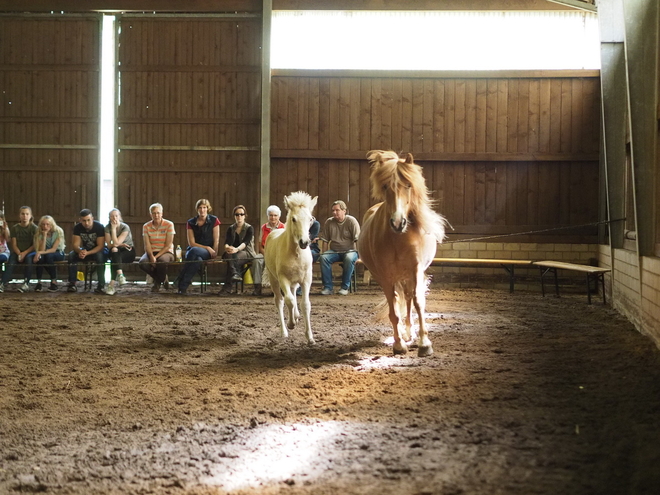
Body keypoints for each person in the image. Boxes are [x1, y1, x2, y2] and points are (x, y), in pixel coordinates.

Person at [176, 199, 221, 295]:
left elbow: (216, 239)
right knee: (197, 259)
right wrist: (207, 247)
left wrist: (214, 252)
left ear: (208, 209)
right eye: (200, 208)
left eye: (204, 207)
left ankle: (181, 280)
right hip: (194, 250)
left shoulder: (214, 220)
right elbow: (191, 243)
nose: (202, 210)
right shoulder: (191, 222)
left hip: (208, 252)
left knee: (194, 252)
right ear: (197, 209)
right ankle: (183, 288)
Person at [319, 200, 360, 296]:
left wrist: (359, 256)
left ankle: (344, 287)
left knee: (349, 258)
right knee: (323, 258)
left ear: (344, 211)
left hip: (350, 250)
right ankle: (328, 287)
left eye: (337, 210)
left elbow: (357, 240)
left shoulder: (351, 221)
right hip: (334, 251)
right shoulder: (329, 222)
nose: (334, 212)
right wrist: (324, 253)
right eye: (333, 210)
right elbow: (325, 240)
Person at [219, 205, 257, 295]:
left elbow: (246, 242)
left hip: (247, 252)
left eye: (241, 214)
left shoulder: (249, 228)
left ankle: (227, 287)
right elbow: (227, 242)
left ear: (245, 216)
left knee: (230, 258)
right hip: (233, 253)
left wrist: (236, 249)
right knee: (229, 256)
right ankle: (235, 274)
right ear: (234, 216)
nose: (239, 216)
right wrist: (227, 247)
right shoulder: (231, 228)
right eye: (237, 214)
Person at [67, 209, 107, 294]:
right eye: (84, 221)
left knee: (100, 257)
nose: (87, 223)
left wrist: (87, 253)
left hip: (97, 250)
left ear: (92, 218)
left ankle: (101, 284)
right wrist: (80, 251)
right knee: (71, 256)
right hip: (85, 250)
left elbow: (100, 246)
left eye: (88, 220)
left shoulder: (99, 227)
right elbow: (75, 245)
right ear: (80, 220)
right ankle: (72, 283)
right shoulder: (77, 228)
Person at [0, 206, 38, 293]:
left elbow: (35, 245)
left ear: (30, 216)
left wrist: (24, 253)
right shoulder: (15, 228)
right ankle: (2, 283)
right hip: (18, 251)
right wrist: (19, 253)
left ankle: (26, 283)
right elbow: (14, 244)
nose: (25, 216)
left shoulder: (34, 228)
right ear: (19, 216)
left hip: (30, 251)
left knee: (29, 259)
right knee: (11, 262)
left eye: (27, 214)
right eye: (23, 214)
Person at [139, 203, 176, 292]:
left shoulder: (169, 224)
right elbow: (147, 245)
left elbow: (168, 245)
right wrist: (151, 256)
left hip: (166, 252)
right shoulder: (146, 226)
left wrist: (155, 258)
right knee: (142, 263)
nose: (156, 215)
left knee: (162, 261)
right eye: (154, 213)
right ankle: (163, 279)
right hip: (152, 251)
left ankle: (157, 283)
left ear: (162, 213)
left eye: (158, 213)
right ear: (150, 214)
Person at [252, 205, 285, 296]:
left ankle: (280, 288)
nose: (273, 217)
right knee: (257, 259)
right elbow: (259, 245)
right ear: (268, 216)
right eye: (271, 215)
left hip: (279, 254)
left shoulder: (284, 228)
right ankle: (257, 287)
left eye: (275, 215)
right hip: (265, 252)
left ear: (279, 216)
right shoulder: (263, 228)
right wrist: (267, 255)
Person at [104, 208, 134, 296]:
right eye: (112, 216)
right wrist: (113, 229)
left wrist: (117, 244)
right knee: (114, 251)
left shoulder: (125, 227)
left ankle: (111, 285)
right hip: (115, 251)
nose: (114, 218)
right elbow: (110, 245)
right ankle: (120, 276)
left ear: (119, 217)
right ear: (109, 218)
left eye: (116, 216)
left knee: (115, 255)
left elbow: (115, 243)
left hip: (128, 251)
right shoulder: (107, 227)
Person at [32, 215, 66, 292]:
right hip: (45, 252)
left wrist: (39, 252)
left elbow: (54, 249)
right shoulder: (39, 232)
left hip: (58, 252)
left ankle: (53, 282)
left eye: (48, 224)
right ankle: (39, 282)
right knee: (41, 259)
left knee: (49, 256)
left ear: (52, 224)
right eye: (43, 224)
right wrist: (44, 236)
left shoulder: (58, 231)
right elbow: (42, 249)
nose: (45, 226)